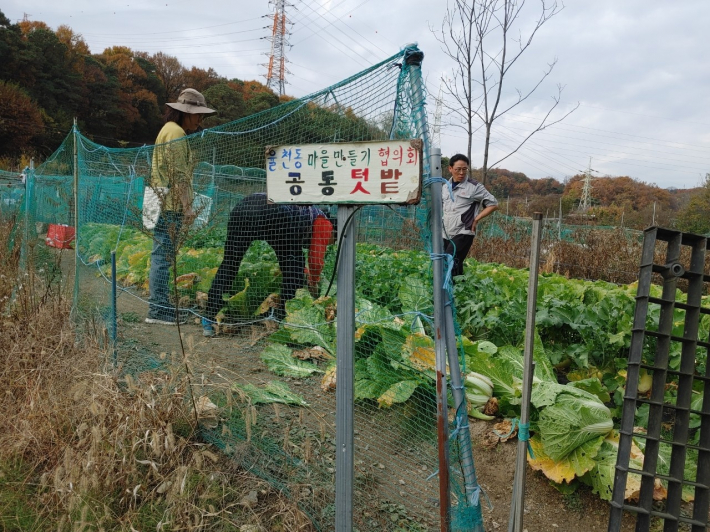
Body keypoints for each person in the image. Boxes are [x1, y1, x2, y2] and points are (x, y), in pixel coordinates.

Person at [201, 193, 335, 337]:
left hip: (244, 206)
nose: (329, 242)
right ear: (335, 231)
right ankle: (285, 321)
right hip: (276, 213)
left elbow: (293, 249)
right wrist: (313, 284)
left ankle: (208, 319)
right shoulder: (325, 223)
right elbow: (315, 260)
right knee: (293, 271)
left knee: (230, 263)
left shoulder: (308, 211)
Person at [145, 88, 216, 325]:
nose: (200, 120)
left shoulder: (167, 130)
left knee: (160, 256)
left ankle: (159, 306)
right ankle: (158, 311)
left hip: (161, 201)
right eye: (197, 114)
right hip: (170, 205)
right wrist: (187, 208)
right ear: (185, 112)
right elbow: (179, 176)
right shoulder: (176, 134)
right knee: (163, 258)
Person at [442, 154, 499, 279]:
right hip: (446, 232)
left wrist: (477, 218)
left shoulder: (474, 187)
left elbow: (493, 204)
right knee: (454, 262)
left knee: (449, 260)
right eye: (458, 169)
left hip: (464, 230)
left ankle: (447, 293)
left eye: (465, 169)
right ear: (450, 169)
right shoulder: (445, 187)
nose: (462, 172)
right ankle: (460, 289)